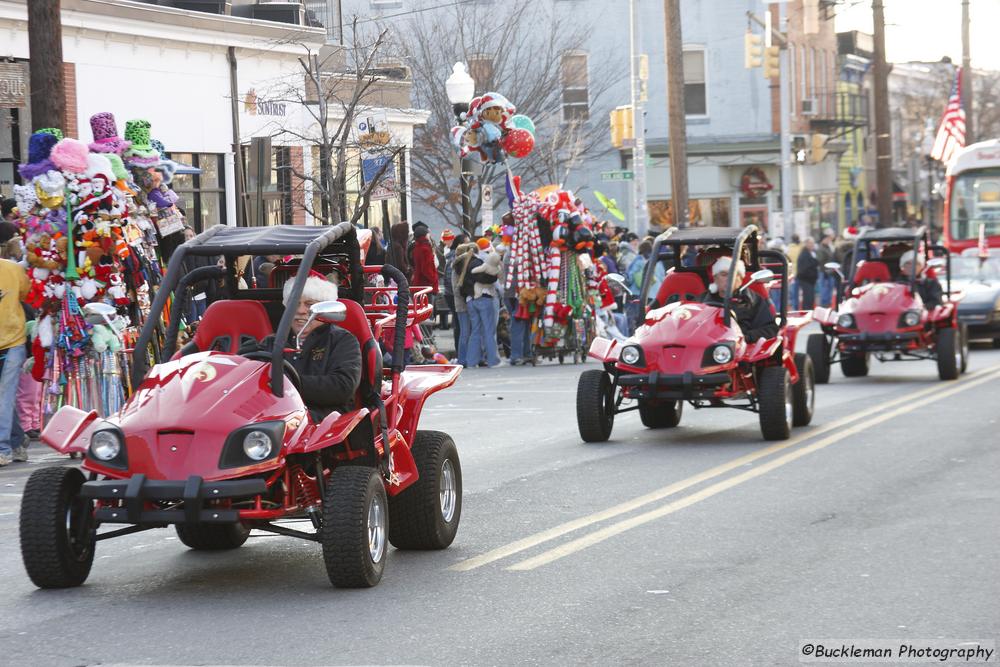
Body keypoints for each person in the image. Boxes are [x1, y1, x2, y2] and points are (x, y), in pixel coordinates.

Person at [281, 275, 361, 421]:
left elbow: (343, 387)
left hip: (327, 421)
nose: (300, 310)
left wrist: (285, 384)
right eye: (295, 303)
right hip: (278, 416)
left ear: (324, 310)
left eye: (309, 304)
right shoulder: (273, 342)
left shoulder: (342, 340)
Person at [0, 222, 30, 466]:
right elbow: (25, 296)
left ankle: (3, 448)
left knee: (4, 396)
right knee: (4, 397)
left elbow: (26, 295)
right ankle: (17, 441)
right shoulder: (14, 269)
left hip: (12, 340)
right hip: (13, 337)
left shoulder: (12, 269)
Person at [700, 256, 778, 343]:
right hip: (708, 347)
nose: (729, 279)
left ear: (740, 280)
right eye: (724, 274)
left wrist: (744, 338)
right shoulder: (701, 301)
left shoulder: (752, 300)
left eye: (733, 274)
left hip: (744, 350)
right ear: (715, 278)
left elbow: (770, 329)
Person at [796, 236, 819, 310]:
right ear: (806, 244)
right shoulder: (804, 254)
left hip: (810, 280)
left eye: (813, 243)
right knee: (808, 298)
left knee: (811, 298)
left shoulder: (811, 253)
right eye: (810, 243)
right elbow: (804, 268)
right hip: (806, 280)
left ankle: (809, 312)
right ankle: (806, 313)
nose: (812, 245)